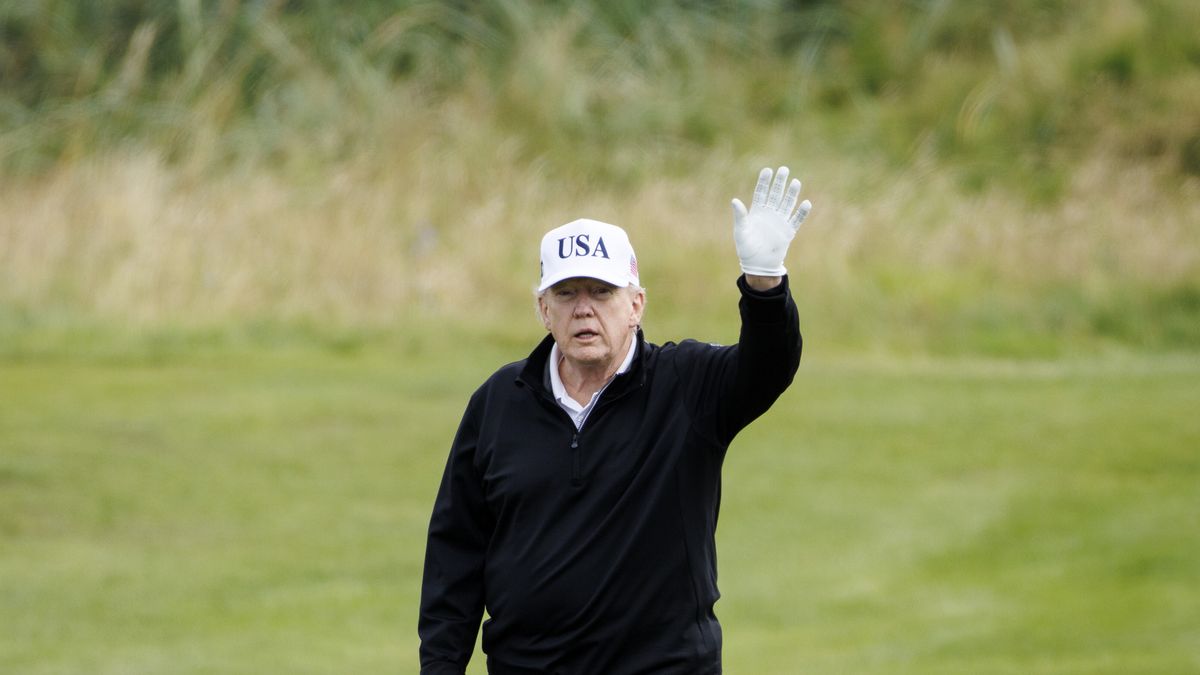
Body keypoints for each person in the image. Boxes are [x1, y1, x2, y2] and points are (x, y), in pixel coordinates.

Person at [419, 166, 813, 674]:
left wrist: (764, 285)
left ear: (636, 305)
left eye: (602, 292)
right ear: (543, 309)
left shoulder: (686, 384)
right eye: (566, 294)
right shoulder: (498, 402)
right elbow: (456, 553)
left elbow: (767, 367)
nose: (584, 310)